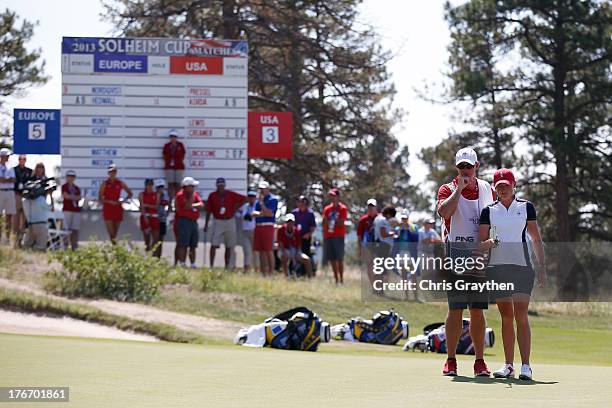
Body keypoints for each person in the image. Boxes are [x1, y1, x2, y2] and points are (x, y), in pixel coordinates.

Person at [478, 168, 546, 381]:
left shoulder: (526, 207)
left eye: (507, 185)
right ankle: (508, 365)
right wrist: (488, 243)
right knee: (506, 316)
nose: (503, 188)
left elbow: (535, 238)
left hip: (522, 267)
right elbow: (480, 244)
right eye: (499, 186)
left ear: (514, 185)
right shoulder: (489, 211)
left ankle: (526, 366)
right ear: (495, 188)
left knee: (521, 315)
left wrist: (542, 267)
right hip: (498, 268)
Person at [437, 147, 495, 377]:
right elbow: (444, 212)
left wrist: (487, 247)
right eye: (461, 167)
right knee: (455, 309)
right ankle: (451, 360)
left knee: (478, 310)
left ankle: (479, 361)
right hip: (456, 253)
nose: (465, 171)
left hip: (480, 255)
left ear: (476, 166)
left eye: (468, 166)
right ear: (456, 168)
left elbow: (493, 221)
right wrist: (459, 190)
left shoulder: (487, 189)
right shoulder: (447, 189)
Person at [204, 178, 245, 269]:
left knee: (229, 245)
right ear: (217, 186)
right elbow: (208, 211)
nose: (221, 187)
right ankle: (211, 266)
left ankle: (227, 266)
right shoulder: (212, 195)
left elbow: (243, 199)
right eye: (219, 185)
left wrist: (235, 208)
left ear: (224, 185)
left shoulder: (230, 194)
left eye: (222, 185)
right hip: (218, 221)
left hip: (229, 220)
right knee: (214, 243)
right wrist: (206, 224)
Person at [22, 163, 54, 251]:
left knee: (28, 244)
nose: (40, 169)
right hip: (35, 218)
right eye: (38, 167)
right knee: (37, 245)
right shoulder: (31, 181)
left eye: (42, 168)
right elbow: (50, 208)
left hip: (37, 213)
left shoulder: (46, 181)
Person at [99, 164, 133, 244]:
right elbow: (100, 197)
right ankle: (115, 250)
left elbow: (130, 193)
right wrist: (109, 201)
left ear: (116, 173)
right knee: (111, 233)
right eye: (111, 172)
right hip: (108, 208)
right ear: (108, 173)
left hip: (117, 208)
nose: (112, 174)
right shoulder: (105, 183)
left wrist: (122, 201)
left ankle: (114, 250)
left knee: (115, 232)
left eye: (114, 172)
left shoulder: (119, 183)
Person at [175, 177, 203, 268]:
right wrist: (193, 204)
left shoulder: (194, 194)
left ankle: (192, 263)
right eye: (192, 186)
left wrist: (193, 205)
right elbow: (186, 206)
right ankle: (182, 263)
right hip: (184, 221)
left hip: (193, 222)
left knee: (193, 244)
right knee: (183, 244)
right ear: (186, 186)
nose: (194, 188)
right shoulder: (180, 195)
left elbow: (201, 204)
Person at [322, 188, 348, 285]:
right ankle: (336, 280)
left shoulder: (343, 208)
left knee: (339, 259)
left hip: (339, 236)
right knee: (332, 259)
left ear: (338, 196)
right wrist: (330, 222)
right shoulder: (327, 209)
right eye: (330, 196)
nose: (332, 198)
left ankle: (341, 280)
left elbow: (341, 223)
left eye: (333, 196)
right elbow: (324, 222)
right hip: (328, 236)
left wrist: (330, 221)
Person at [252, 181, 278, 277]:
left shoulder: (273, 199)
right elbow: (253, 213)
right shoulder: (258, 201)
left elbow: (270, 213)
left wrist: (262, 205)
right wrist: (262, 212)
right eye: (260, 189)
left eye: (263, 189)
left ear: (268, 189)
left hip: (268, 226)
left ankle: (271, 273)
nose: (262, 191)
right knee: (261, 250)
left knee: (268, 250)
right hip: (258, 226)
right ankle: (263, 273)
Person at [394, 209, 421, 301]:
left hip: (411, 253)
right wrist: (400, 229)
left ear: (408, 218)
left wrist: (408, 229)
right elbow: (395, 238)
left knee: (414, 275)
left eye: (405, 218)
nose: (404, 220)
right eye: (402, 218)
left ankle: (416, 297)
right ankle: (406, 296)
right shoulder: (398, 228)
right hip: (401, 253)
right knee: (404, 275)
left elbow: (416, 238)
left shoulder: (413, 227)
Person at [278, 213, 313, 278]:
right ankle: (287, 276)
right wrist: (284, 252)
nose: (289, 223)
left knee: (307, 259)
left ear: (294, 222)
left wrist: (297, 253)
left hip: (295, 250)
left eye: (291, 222)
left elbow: (299, 245)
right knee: (284, 257)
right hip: (284, 249)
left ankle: (310, 277)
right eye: (288, 221)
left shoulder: (296, 231)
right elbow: (280, 243)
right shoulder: (281, 230)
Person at [13, 154, 32, 247]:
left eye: (24, 159)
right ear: (18, 160)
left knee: (24, 220)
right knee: (15, 218)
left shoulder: (29, 171)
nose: (22, 160)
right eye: (21, 159)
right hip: (16, 195)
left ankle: (21, 240)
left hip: (25, 196)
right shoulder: (13, 170)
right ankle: (15, 240)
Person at [291, 195, 316, 262]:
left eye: (302, 203)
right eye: (299, 202)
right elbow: (291, 224)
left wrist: (309, 234)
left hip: (305, 237)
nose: (300, 204)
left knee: (305, 254)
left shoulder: (310, 213)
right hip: (295, 237)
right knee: (294, 253)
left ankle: (304, 271)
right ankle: (294, 269)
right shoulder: (294, 212)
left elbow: (313, 226)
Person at [236, 190, 257, 272]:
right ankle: (247, 268)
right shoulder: (244, 206)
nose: (251, 199)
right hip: (245, 231)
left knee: (255, 251)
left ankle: (256, 268)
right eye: (250, 197)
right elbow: (239, 214)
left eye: (253, 197)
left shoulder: (257, 206)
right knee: (247, 250)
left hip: (254, 230)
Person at [138, 178, 161, 253]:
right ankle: (147, 254)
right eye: (148, 185)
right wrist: (145, 218)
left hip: (154, 217)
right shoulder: (141, 194)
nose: (150, 186)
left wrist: (147, 205)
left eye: (151, 184)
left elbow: (156, 206)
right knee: (146, 239)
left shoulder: (156, 194)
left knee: (156, 238)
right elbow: (142, 207)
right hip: (145, 217)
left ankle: (152, 252)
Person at [61, 170, 82, 250]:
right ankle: (65, 247)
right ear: (66, 177)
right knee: (66, 229)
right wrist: (74, 197)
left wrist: (71, 196)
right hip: (67, 210)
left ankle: (74, 247)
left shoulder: (77, 188)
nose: (71, 178)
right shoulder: (64, 186)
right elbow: (65, 196)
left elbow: (79, 198)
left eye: (72, 176)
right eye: (69, 176)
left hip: (76, 210)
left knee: (75, 230)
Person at [162, 129, 186, 199]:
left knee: (178, 184)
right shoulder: (167, 145)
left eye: (174, 136)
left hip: (179, 166)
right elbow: (164, 155)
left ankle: (178, 200)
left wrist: (178, 161)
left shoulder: (180, 145)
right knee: (170, 184)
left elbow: (183, 155)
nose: (173, 138)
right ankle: (170, 201)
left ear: (176, 137)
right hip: (169, 166)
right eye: (171, 136)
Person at [0, 148, 16, 245]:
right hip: (1, 192)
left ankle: (7, 237)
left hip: (10, 192)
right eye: (6, 156)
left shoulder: (10, 167)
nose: (8, 157)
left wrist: (6, 180)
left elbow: (13, 180)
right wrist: (7, 179)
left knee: (9, 215)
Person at [155, 179, 170, 258]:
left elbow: (168, 205)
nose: (160, 189)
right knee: (155, 239)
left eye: (162, 187)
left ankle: (158, 258)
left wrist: (168, 214)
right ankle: (153, 256)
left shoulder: (166, 195)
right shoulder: (154, 195)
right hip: (154, 220)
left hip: (163, 220)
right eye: (159, 187)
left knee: (161, 240)